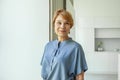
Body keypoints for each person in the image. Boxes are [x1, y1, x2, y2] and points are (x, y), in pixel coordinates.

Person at [40, 9, 88, 80]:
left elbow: (79, 77)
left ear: (70, 27)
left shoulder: (76, 48)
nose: (62, 26)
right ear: (54, 24)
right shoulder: (48, 46)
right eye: (59, 23)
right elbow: (44, 74)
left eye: (66, 23)